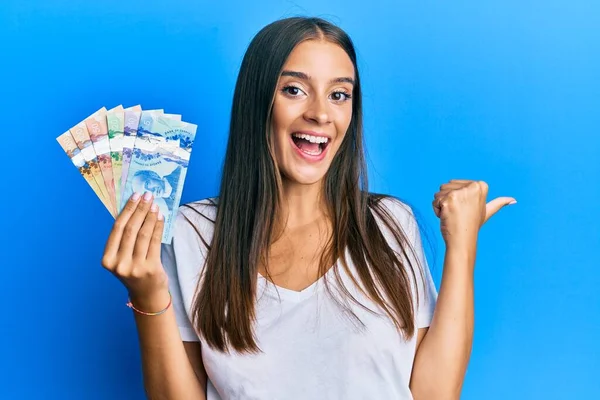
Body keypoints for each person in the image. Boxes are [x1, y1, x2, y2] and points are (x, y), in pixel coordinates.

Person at [101, 16, 516, 400]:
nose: (320, 113)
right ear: (257, 100)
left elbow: (434, 394)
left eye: (339, 94)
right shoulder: (192, 235)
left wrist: (461, 245)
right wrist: (149, 294)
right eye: (294, 89)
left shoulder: (389, 224)